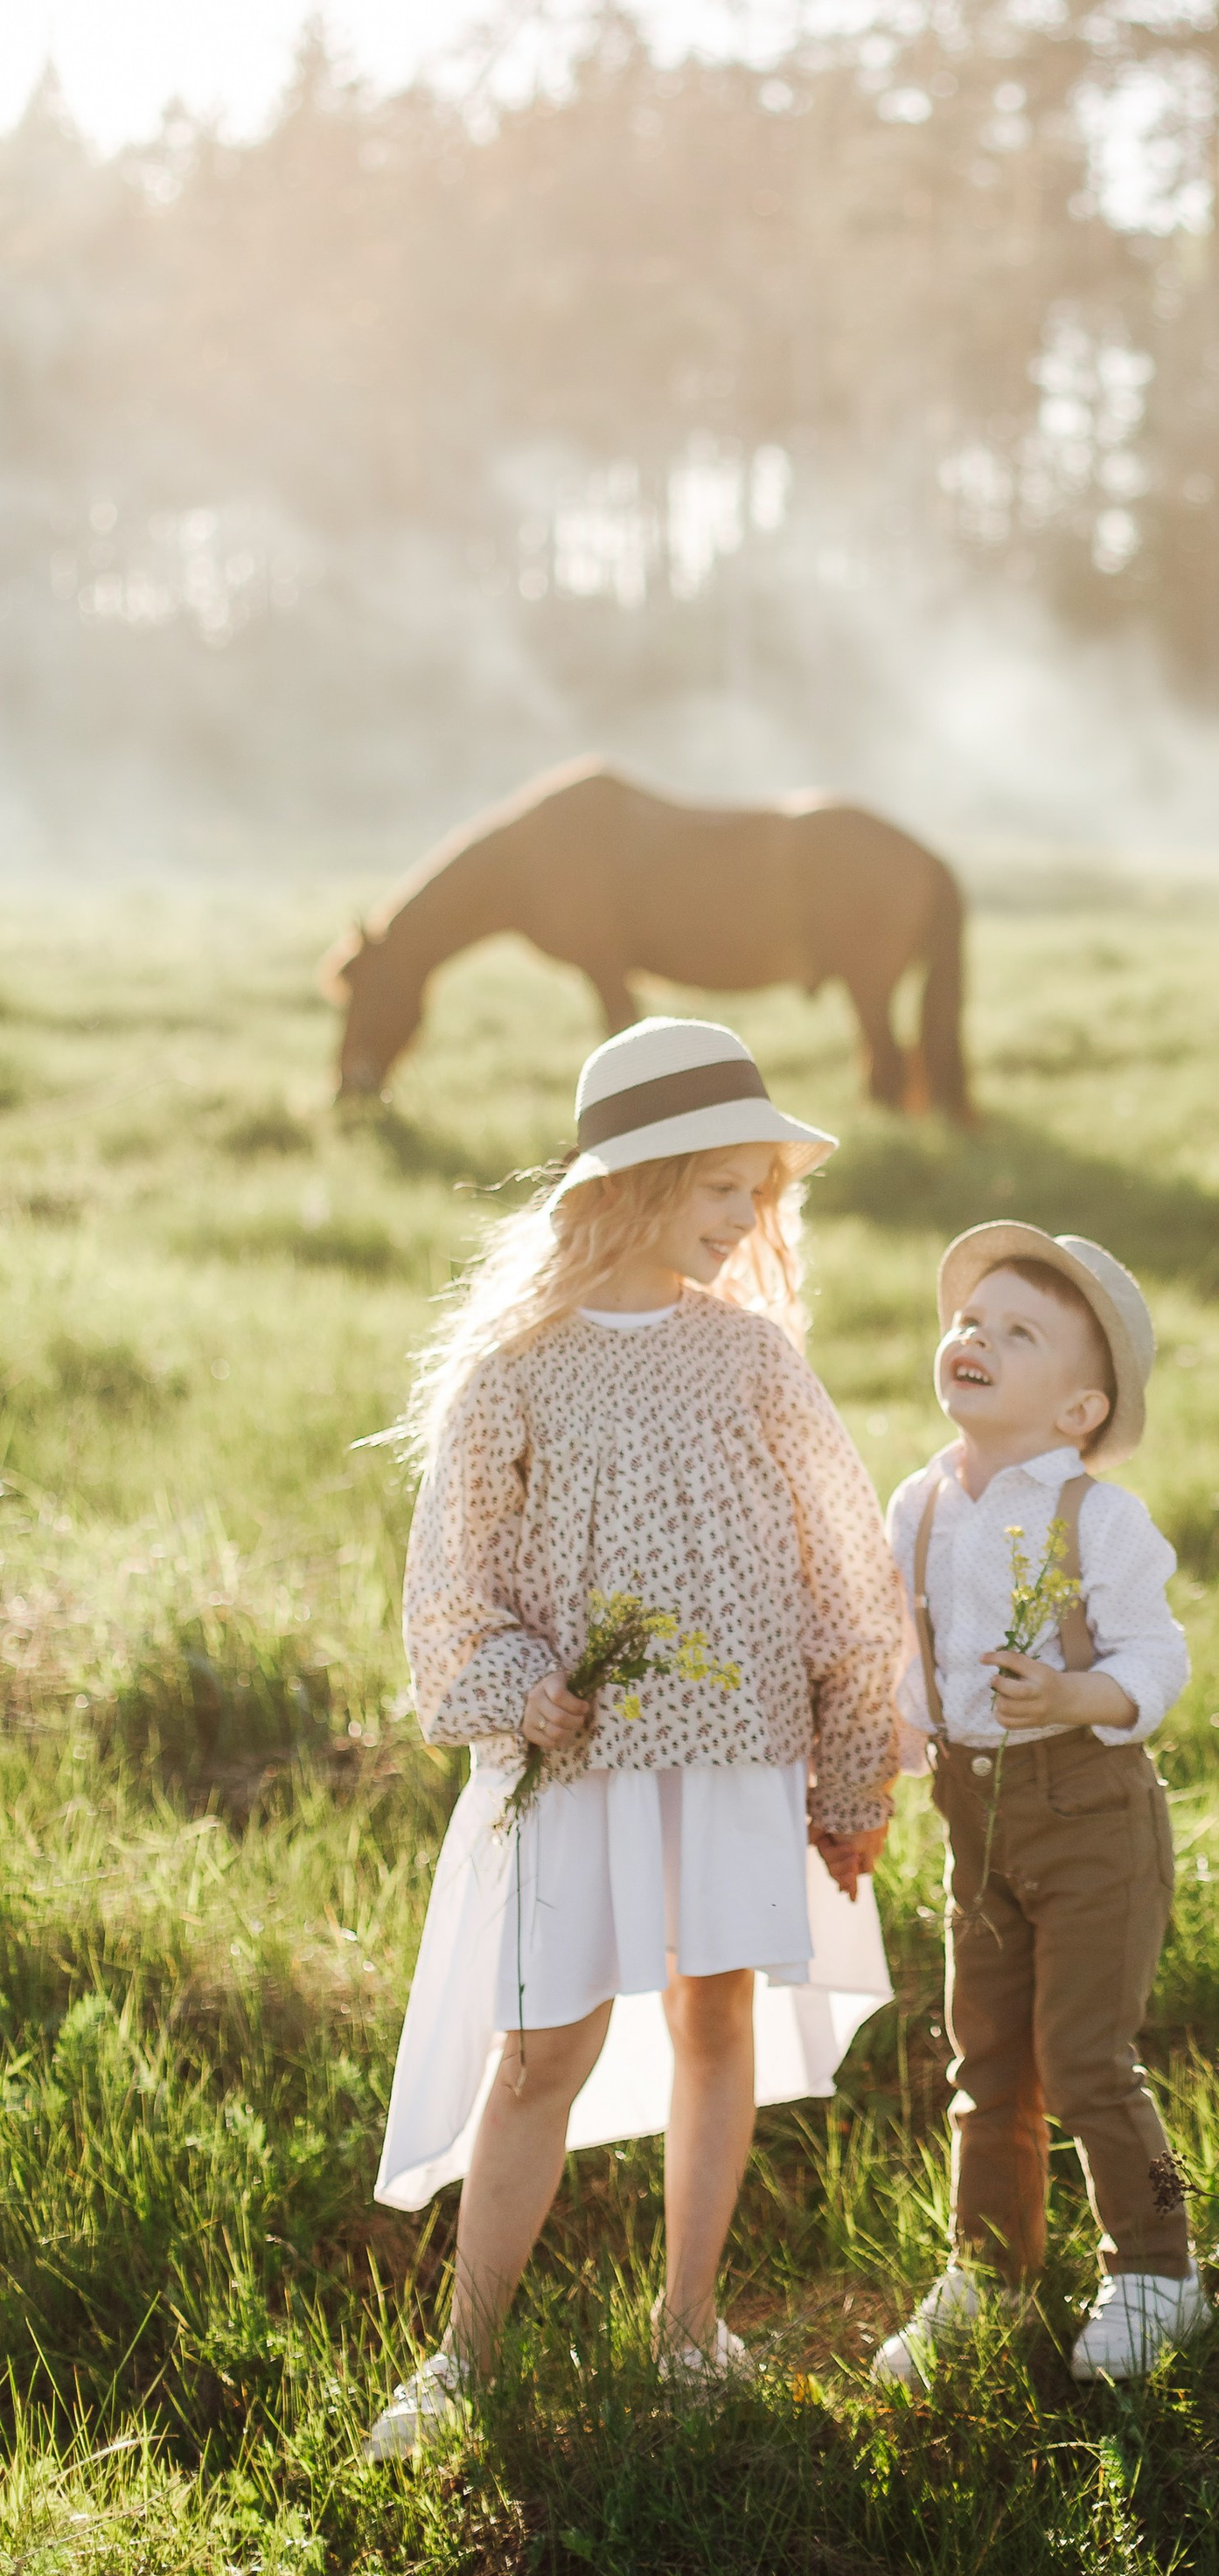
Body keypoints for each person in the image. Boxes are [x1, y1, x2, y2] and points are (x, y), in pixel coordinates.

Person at [363, 1016, 905, 2459]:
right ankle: (466, 2355)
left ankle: (687, 2326)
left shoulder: (750, 1363)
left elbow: (848, 1565)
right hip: (579, 1763)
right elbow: (447, 1585)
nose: (747, 1223)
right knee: (541, 2046)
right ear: (635, 1178)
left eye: (761, 1198)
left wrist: (853, 1764)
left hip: (733, 1754)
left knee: (712, 2015)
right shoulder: (517, 1373)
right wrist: (513, 1682)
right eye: (724, 1189)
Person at [872, 1223, 1197, 2390]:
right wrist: (905, 1722)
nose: (976, 1339)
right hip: (979, 1824)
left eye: (1020, 1332)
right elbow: (908, 1642)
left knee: (1087, 2056)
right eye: (970, 1321)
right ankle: (992, 2270)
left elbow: (1160, 1660)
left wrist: (1074, 1692)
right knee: (988, 2054)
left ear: (1078, 1414)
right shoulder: (918, 1505)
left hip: (1093, 1813)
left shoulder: (1097, 1521)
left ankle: (1159, 2262)